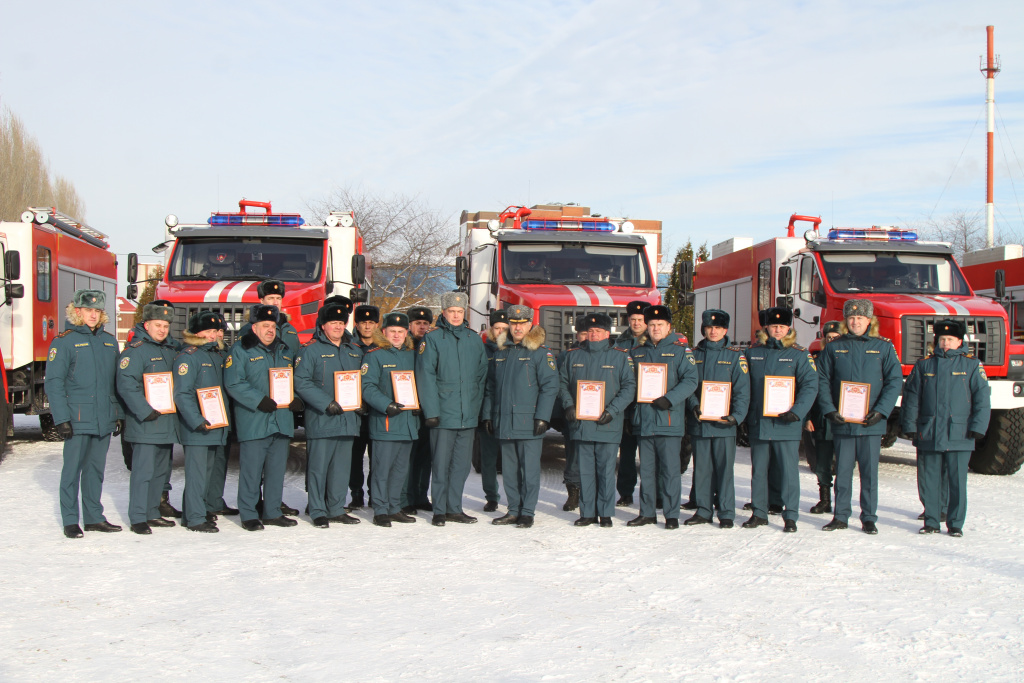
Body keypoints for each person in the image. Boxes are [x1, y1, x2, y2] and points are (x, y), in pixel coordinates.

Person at [815, 299, 902, 534]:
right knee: (842, 471)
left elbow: (894, 381)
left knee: (869, 473)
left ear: (869, 321)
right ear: (846, 321)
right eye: (851, 318)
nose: (855, 322)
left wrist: (882, 411)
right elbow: (821, 381)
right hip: (843, 421)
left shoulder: (883, 347)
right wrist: (829, 409)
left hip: (870, 422)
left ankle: (869, 518)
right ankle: (841, 515)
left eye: (860, 318)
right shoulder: (834, 347)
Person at [46, 290, 124, 538]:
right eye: (88, 310)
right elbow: (54, 382)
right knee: (72, 471)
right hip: (77, 418)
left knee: (95, 471)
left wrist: (118, 413)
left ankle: (93, 517)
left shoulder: (110, 342)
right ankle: (70, 519)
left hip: (103, 417)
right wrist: (61, 419)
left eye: (98, 310)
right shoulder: (64, 341)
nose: (93, 314)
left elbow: (116, 382)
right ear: (76, 311)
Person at [901, 320, 991, 536]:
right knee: (929, 479)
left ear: (959, 341)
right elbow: (912, 398)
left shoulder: (971, 365)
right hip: (929, 431)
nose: (945, 343)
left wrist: (978, 427)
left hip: (960, 432)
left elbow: (982, 399)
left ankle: (955, 524)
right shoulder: (924, 365)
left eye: (950, 340)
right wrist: (910, 425)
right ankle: (931, 521)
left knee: (957, 482)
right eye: (942, 339)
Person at [224, 304, 300, 531]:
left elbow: (291, 380)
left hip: (281, 419)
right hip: (255, 419)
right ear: (254, 327)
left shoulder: (284, 351)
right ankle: (248, 513)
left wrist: (295, 398)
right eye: (265, 326)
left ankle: (273, 512)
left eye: (273, 326)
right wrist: (258, 399)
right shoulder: (240, 350)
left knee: (277, 470)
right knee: (251, 471)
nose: (270, 330)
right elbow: (234, 383)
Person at [481, 305, 559, 528]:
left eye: (522, 323)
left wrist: (543, 417)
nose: (517, 328)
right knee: (509, 469)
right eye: (514, 324)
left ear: (530, 325)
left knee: (529, 470)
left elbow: (550, 387)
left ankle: (527, 511)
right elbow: (491, 388)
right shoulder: (501, 353)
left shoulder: (541, 354)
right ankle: (513, 509)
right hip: (504, 421)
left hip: (529, 422)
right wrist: (488, 415)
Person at [742, 307, 818, 533]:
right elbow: (744, 387)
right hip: (760, 421)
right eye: (774, 326)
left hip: (788, 422)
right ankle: (759, 512)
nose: (777, 330)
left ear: (789, 328)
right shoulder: (752, 352)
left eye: (782, 326)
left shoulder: (800, 354)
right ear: (766, 327)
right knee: (759, 471)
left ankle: (791, 515)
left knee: (788, 472)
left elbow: (810, 386)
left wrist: (798, 412)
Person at [416, 292, 488, 526]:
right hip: (443, 414)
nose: (456, 316)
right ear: (444, 313)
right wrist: (432, 411)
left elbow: (481, 376)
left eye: (459, 312)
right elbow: (425, 376)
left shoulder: (473, 339)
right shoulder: (433, 339)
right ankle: (439, 509)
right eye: (451, 312)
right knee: (440, 463)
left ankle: (454, 508)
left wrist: (476, 409)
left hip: (467, 414)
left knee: (460, 465)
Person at [558, 313, 636, 527]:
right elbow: (562, 383)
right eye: (590, 331)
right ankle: (587, 512)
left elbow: (630, 387)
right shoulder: (573, 356)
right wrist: (569, 405)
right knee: (586, 470)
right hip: (582, 423)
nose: (593, 335)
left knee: (606, 469)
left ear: (607, 333)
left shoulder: (620, 357)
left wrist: (613, 410)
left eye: (598, 331)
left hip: (608, 423)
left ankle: (605, 512)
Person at [294, 300, 364, 528]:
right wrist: (326, 403)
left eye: (341, 323)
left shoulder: (354, 351)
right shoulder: (310, 350)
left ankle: (336, 508)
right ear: (323, 325)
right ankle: (317, 509)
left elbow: (363, 381)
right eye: (333, 322)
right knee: (318, 468)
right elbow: (300, 381)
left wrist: (362, 402)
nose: (337, 327)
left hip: (347, 420)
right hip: (323, 418)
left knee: (341, 469)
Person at [626, 305, 698, 529]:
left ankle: (671, 514)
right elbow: (629, 385)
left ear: (669, 327)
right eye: (652, 324)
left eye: (660, 325)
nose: (655, 328)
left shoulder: (681, 352)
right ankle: (647, 512)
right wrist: (630, 416)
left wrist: (670, 398)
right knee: (646, 471)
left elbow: (691, 380)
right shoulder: (637, 352)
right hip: (644, 420)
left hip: (669, 419)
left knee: (670, 471)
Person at [117, 301, 180, 535]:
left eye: (165, 325)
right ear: (147, 324)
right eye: (157, 325)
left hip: (166, 422)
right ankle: (138, 516)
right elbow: (126, 385)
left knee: (161, 472)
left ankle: (153, 512)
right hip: (145, 422)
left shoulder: (170, 350)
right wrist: (145, 410)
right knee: (143, 472)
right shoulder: (136, 351)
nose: (162, 330)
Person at [684, 309, 750, 529]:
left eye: (718, 328)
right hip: (700, 421)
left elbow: (742, 390)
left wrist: (736, 417)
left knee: (724, 469)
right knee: (702, 469)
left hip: (724, 423)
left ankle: (726, 512)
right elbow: (688, 384)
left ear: (725, 330)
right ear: (704, 329)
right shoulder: (693, 354)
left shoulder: (735, 355)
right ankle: (703, 510)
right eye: (710, 327)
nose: (713, 331)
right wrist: (693, 405)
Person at [361, 312, 421, 527]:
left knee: (400, 469)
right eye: (392, 331)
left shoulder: (412, 354)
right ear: (384, 332)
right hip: (386, 420)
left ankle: (395, 507)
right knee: (382, 468)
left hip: (407, 423)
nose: (396, 335)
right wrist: (386, 405)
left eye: (401, 332)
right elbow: (367, 386)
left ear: (407, 333)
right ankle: (380, 509)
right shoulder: (374, 355)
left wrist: (420, 405)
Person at [173, 311, 228, 533]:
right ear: (197, 333)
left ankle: (196, 511)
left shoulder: (216, 355)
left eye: (215, 331)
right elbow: (182, 394)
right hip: (198, 426)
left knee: (206, 471)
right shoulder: (189, 357)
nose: (212, 335)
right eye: (207, 331)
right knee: (196, 473)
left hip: (214, 424)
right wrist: (196, 420)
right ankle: (195, 518)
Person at [400, 305, 436, 515]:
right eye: (417, 323)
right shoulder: (405, 347)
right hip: (407, 410)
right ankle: (406, 498)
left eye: (425, 324)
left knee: (425, 457)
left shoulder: (431, 346)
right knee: (408, 457)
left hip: (427, 410)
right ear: (410, 325)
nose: (422, 327)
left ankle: (421, 496)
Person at [614, 300, 651, 507]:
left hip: (648, 406)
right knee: (627, 455)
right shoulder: (621, 342)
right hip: (626, 408)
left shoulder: (654, 341)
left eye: (640, 320)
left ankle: (653, 493)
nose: (636, 323)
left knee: (649, 456)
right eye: (633, 319)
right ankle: (626, 492)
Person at [806, 321, 842, 514]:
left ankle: (842, 502)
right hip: (822, 420)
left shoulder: (848, 359)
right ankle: (825, 500)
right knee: (822, 463)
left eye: (836, 338)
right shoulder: (816, 361)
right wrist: (808, 417)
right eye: (829, 338)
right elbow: (809, 392)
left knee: (844, 464)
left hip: (845, 420)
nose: (832, 341)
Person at [205, 312, 239, 517]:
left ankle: (215, 500)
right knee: (203, 465)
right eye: (211, 330)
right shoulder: (193, 354)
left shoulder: (227, 353)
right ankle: (200, 504)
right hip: (205, 416)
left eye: (219, 331)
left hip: (224, 415)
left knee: (219, 462)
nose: (216, 335)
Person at [347, 304, 380, 508]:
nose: (367, 327)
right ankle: (356, 493)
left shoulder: (383, 348)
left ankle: (375, 493)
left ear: (377, 325)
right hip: (355, 412)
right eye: (363, 323)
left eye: (371, 323)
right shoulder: (348, 347)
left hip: (377, 411)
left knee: (377, 457)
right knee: (355, 457)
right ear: (357, 325)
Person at [556, 314, 589, 512]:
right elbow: (560, 384)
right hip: (573, 414)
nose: (586, 337)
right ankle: (573, 493)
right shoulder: (566, 355)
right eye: (583, 333)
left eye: (590, 333)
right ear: (577, 335)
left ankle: (591, 493)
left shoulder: (607, 354)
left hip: (597, 416)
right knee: (573, 455)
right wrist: (567, 407)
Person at [478, 309, 509, 512]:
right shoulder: (482, 349)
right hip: (487, 411)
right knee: (488, 459)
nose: (500, 332)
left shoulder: (516, 349)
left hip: (509, 412)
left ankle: (515, 497)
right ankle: (491, 496)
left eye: (504, 329)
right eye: (497, 328)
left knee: (511, 459)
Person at [238, 280, 300, 355]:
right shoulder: (250, 328)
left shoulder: (290, 329)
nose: (275, 302)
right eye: (271, 298)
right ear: (262, 300)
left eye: (278, 298)